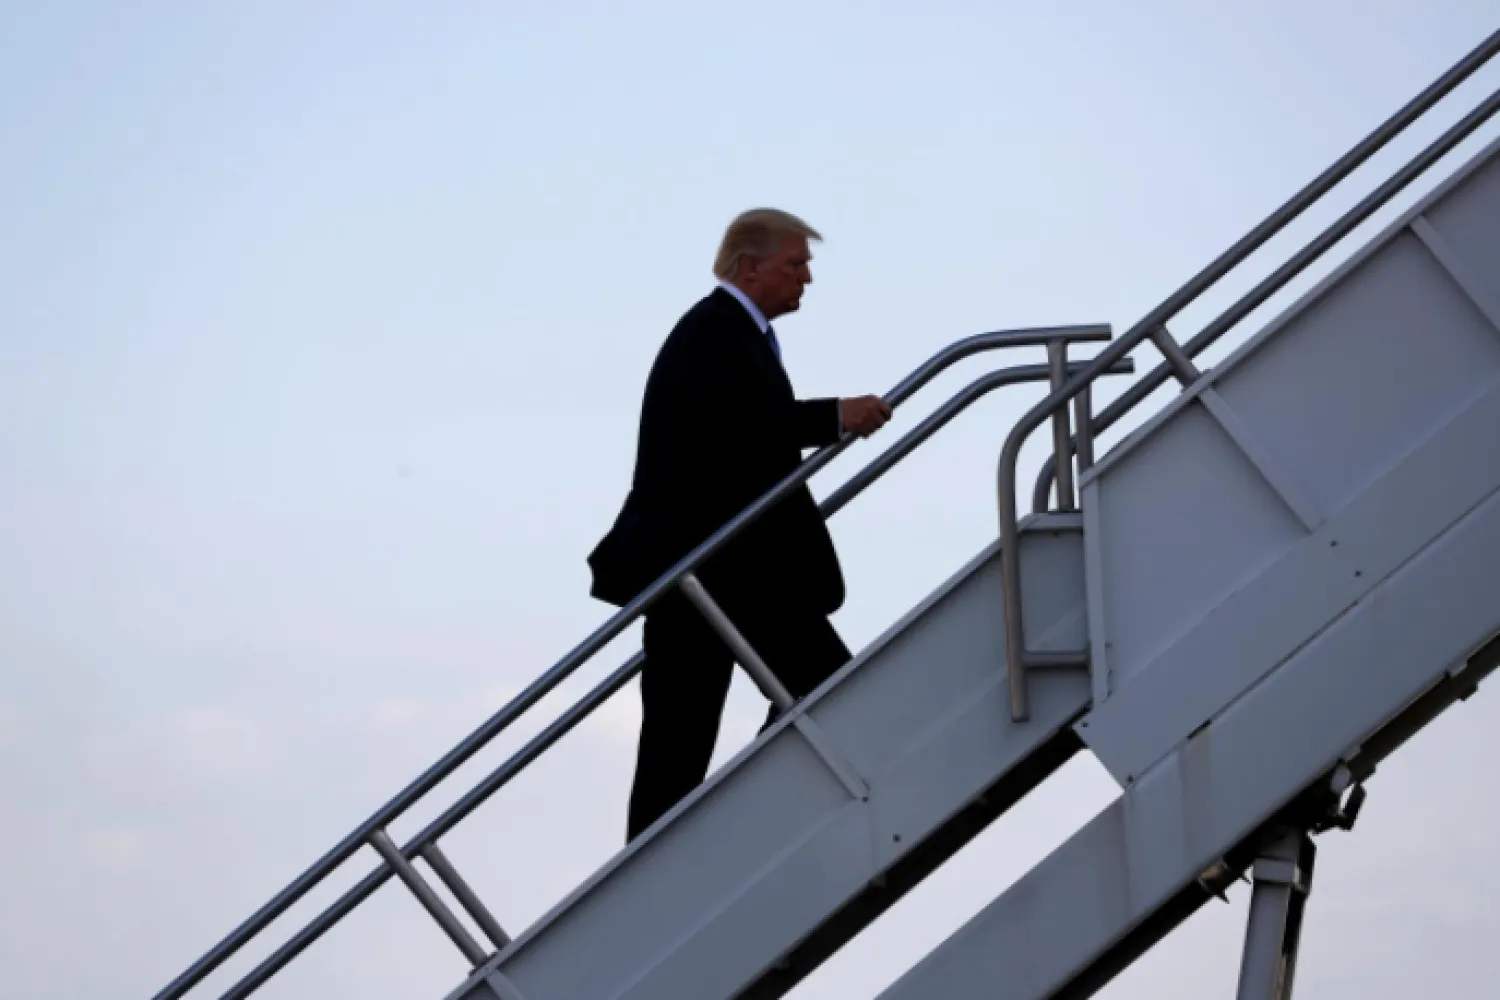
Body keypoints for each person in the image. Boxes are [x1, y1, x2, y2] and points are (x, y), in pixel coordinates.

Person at [587, 208, 892, 842]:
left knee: (680, 737)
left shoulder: (727, 332)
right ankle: (727, 833)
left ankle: (675, 859)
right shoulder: (714, 331)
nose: (806, 278)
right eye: (795, 264)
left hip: (713, 571)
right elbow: (747, 425)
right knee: (819, 693)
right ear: (750, 268)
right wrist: (836, 415)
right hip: (725, 571)